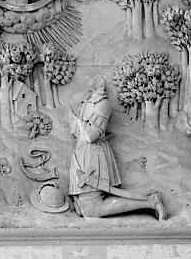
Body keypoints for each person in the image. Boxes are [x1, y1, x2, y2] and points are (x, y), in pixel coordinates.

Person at [69, 76, 167, 220]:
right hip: (81, 154)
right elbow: (75, 132)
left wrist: (77, 118)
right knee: (82, 208)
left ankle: (150, 201)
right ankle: (149, 199)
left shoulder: (103, 105)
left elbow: (91, 135)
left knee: (91, 210)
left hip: (93, 156)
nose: (87, 89)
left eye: (90, 86)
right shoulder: (85, 104)